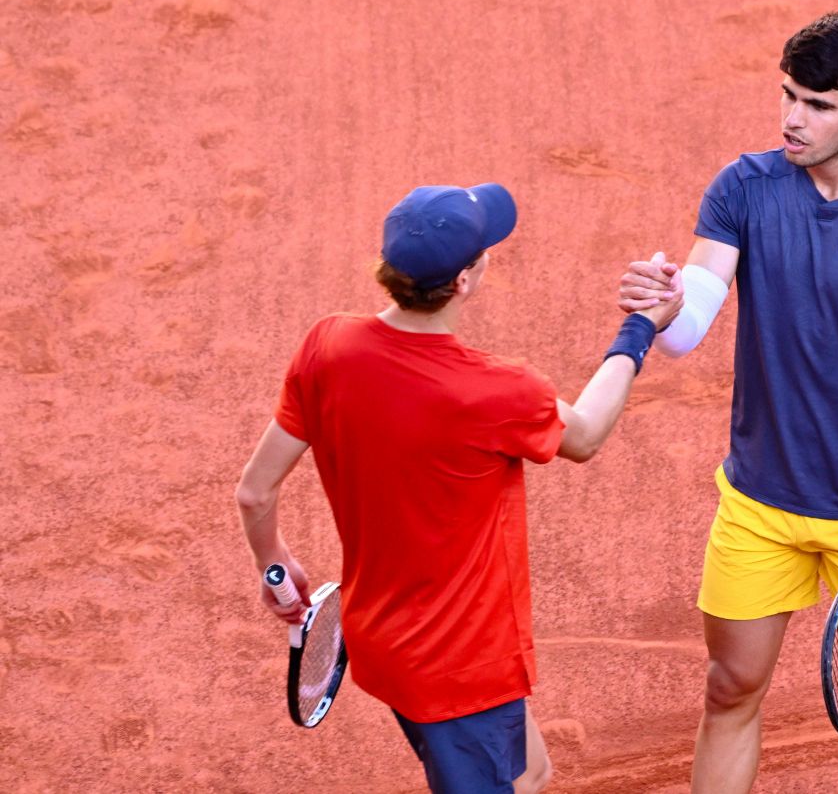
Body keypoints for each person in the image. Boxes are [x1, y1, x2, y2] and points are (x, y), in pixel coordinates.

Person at [618, 11, 838, 794]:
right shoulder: (744, 188)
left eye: (818, 104)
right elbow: (691, 322)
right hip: (760, 499)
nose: (792, 118)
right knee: (729, 685)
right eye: (788, 96)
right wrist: (665, 304)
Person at [236, 183, 683, 794]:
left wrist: (274, 568)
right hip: (461, 668)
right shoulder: (493, 391)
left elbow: (254, 494)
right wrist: (639, 329)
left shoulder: (327, 346)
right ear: (465, 281)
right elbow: (585, 435)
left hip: (385, 642)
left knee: (532, 775)